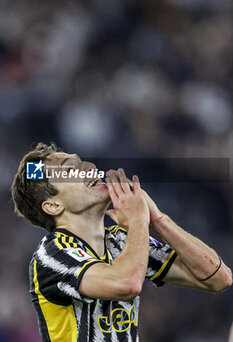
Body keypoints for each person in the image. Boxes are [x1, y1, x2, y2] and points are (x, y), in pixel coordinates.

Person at [11, 143, 232, 342]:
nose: (88, 167)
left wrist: (158, 220)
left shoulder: (121, 240)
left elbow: (218, 277)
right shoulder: (52, 254)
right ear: (53, 206)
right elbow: (127, 285)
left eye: (82, 162)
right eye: (71, 170)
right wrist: (138, 219)